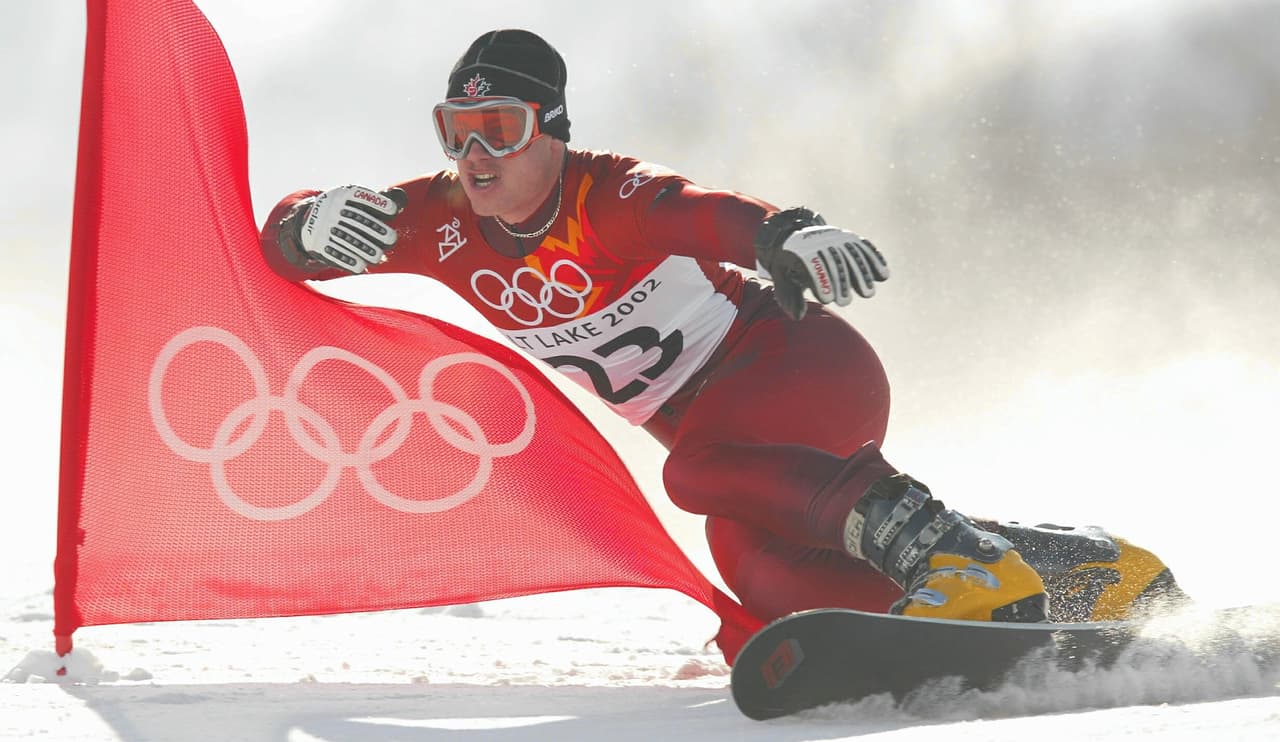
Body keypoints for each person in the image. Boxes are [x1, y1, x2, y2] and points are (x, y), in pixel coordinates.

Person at [260, 29, 1183, 626]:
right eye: (453, 129)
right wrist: (307, 222)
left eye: (498, 127)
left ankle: (966, 561)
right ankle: (1077, 576)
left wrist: (787, 234)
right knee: (770, 585)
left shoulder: (606, 193)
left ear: (552, 129)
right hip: (740, 442)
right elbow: (277, 249)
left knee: (692, 473)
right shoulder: (439, 219)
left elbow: (702, 211)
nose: (472, 155)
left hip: (798, 368)